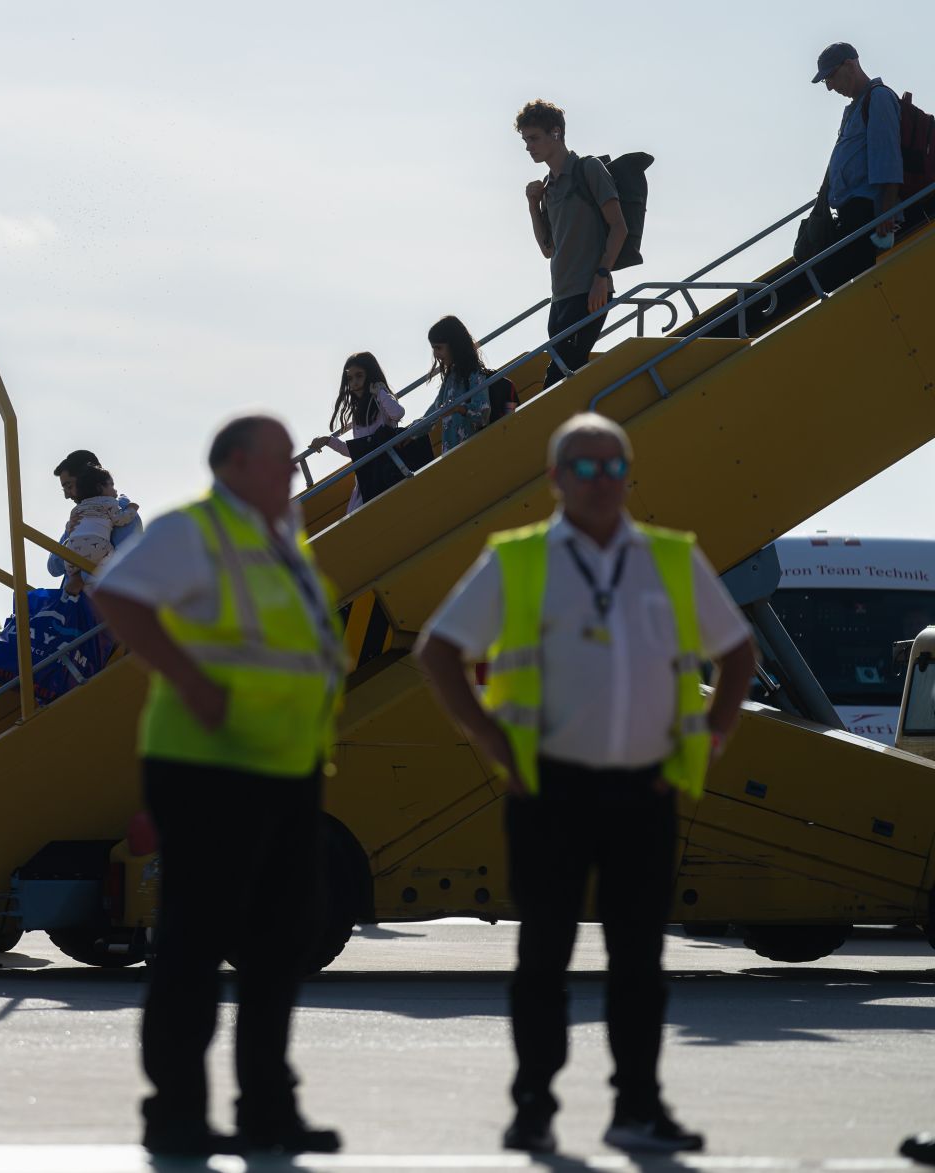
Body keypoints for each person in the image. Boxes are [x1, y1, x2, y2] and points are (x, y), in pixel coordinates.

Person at [415, 413, 756, 1155]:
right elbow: (438, 650)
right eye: (585, 468)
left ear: (629, 478)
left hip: (646, 791)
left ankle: (639, 1104)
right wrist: (488, 736)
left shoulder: (670, 558)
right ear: (556, 479)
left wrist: (712, 737)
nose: (601, 482)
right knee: (543, 957)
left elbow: (737, 652)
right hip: (550, 790)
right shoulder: (517, 560)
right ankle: (533, 1104)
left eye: (613, 468)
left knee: (641, 960)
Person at [90, 415, 346, 1159]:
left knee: (279, 944)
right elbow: (118, 594)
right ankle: (175, 1112)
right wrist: (193, 681)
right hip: (206, 765)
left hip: (287, 766)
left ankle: (267, 1107)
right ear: (235, 464)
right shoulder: (194, 530)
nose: (292, 471)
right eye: (281, 459)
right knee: (194, 942)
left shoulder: (281, 543)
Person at [518, 100, 629, 387]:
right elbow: (548, 249)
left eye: (534, 138)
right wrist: (533, 205)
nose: (529, 146)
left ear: (555, 133)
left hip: (590, 291)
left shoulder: (588, 168)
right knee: (563, 374)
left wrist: (602, 278)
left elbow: (619, 227)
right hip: (561, 296)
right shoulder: (548, 185)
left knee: (558, 377)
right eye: (525, 140)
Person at [812, 43, 906, 288]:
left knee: (844, 282)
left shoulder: (879, 97)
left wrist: (886, 215)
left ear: (850, 65)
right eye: (826, 81)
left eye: (831, 76)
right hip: (850, 214)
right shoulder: (855, 108)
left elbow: (887, 158)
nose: (830, 86)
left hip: (866, 214)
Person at [311, 351, 405, 510]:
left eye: (359, 376)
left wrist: (381, 392)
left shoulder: (381, 401)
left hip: (389, 472)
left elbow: (398, 413)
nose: (354, 383)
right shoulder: (357, 415)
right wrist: (328, 440)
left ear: (370, 375)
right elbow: (357, 451)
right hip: (366, 479)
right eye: (350, 379)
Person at [47, 449, 142, 580]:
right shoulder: (80, 515)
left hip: (103, 597)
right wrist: (69, 533)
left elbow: (127, 564)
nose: (67, 495)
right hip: (76, 599)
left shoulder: (124, 512)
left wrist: (81, 578)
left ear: (86, 479)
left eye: (69, 486)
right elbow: (53, 567)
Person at [59, 465, 139, 592]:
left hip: (72, 549)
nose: (115, 491)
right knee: (112, 560)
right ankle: (93, 587)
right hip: (98, 546)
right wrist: (132, 508)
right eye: (111, 486)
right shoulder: (109, 502)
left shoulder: (77, 509)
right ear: (100, 487)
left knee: (71, 556)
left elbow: (70, 528)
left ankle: (75, 576)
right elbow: (120, 520)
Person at [424, 316, 492, 453]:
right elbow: (433, 412)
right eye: (433, 349)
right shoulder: (450, 378)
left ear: (454, 345)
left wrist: (459, 408)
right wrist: (411, 433)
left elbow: (483, 413)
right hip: (452, 454)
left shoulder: (474, 374)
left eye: (439, 348)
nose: (436, 354)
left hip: (472, 453)